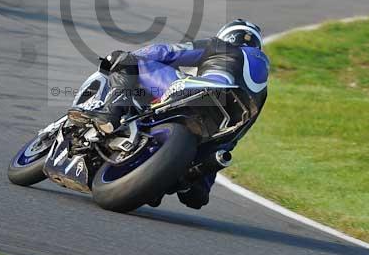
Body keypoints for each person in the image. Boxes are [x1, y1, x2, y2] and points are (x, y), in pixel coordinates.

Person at [69, 19, 270, 209]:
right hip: (224, 127)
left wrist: (125, 58)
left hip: (203, 91)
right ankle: (190, 181)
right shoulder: (262, 90)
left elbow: (167, 52)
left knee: (128, 61)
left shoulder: (222, 46)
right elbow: (235, 136)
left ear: (228, 35)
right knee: (201, 184)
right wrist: (204, 180)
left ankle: (110, 115)